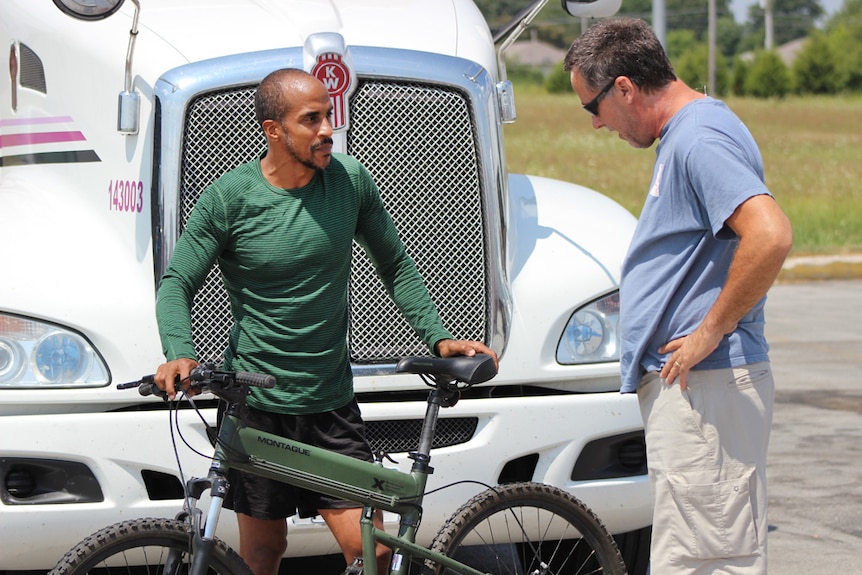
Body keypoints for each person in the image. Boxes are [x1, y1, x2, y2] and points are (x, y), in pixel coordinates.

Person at [153, 68, 497, 575]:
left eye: (328, 115)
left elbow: (396, 263)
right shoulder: (231, 198)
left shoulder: (350, 182)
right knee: (263, 554)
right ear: (274, 130)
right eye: (311, 119)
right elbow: (177, 281)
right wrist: (179, 349)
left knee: (374, 550)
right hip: (255, 406)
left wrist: (439, 336)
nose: (327, 130)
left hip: (329, 405)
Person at [564, 18, 793, 575]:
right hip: (699, 388)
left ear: (624, 87)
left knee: (706, 559)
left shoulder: (698, 138)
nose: (595, 124)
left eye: (592, 106)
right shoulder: (692, 132)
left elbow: (771, 234)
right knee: (694, 551)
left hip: (708, 383)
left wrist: (708, 332)